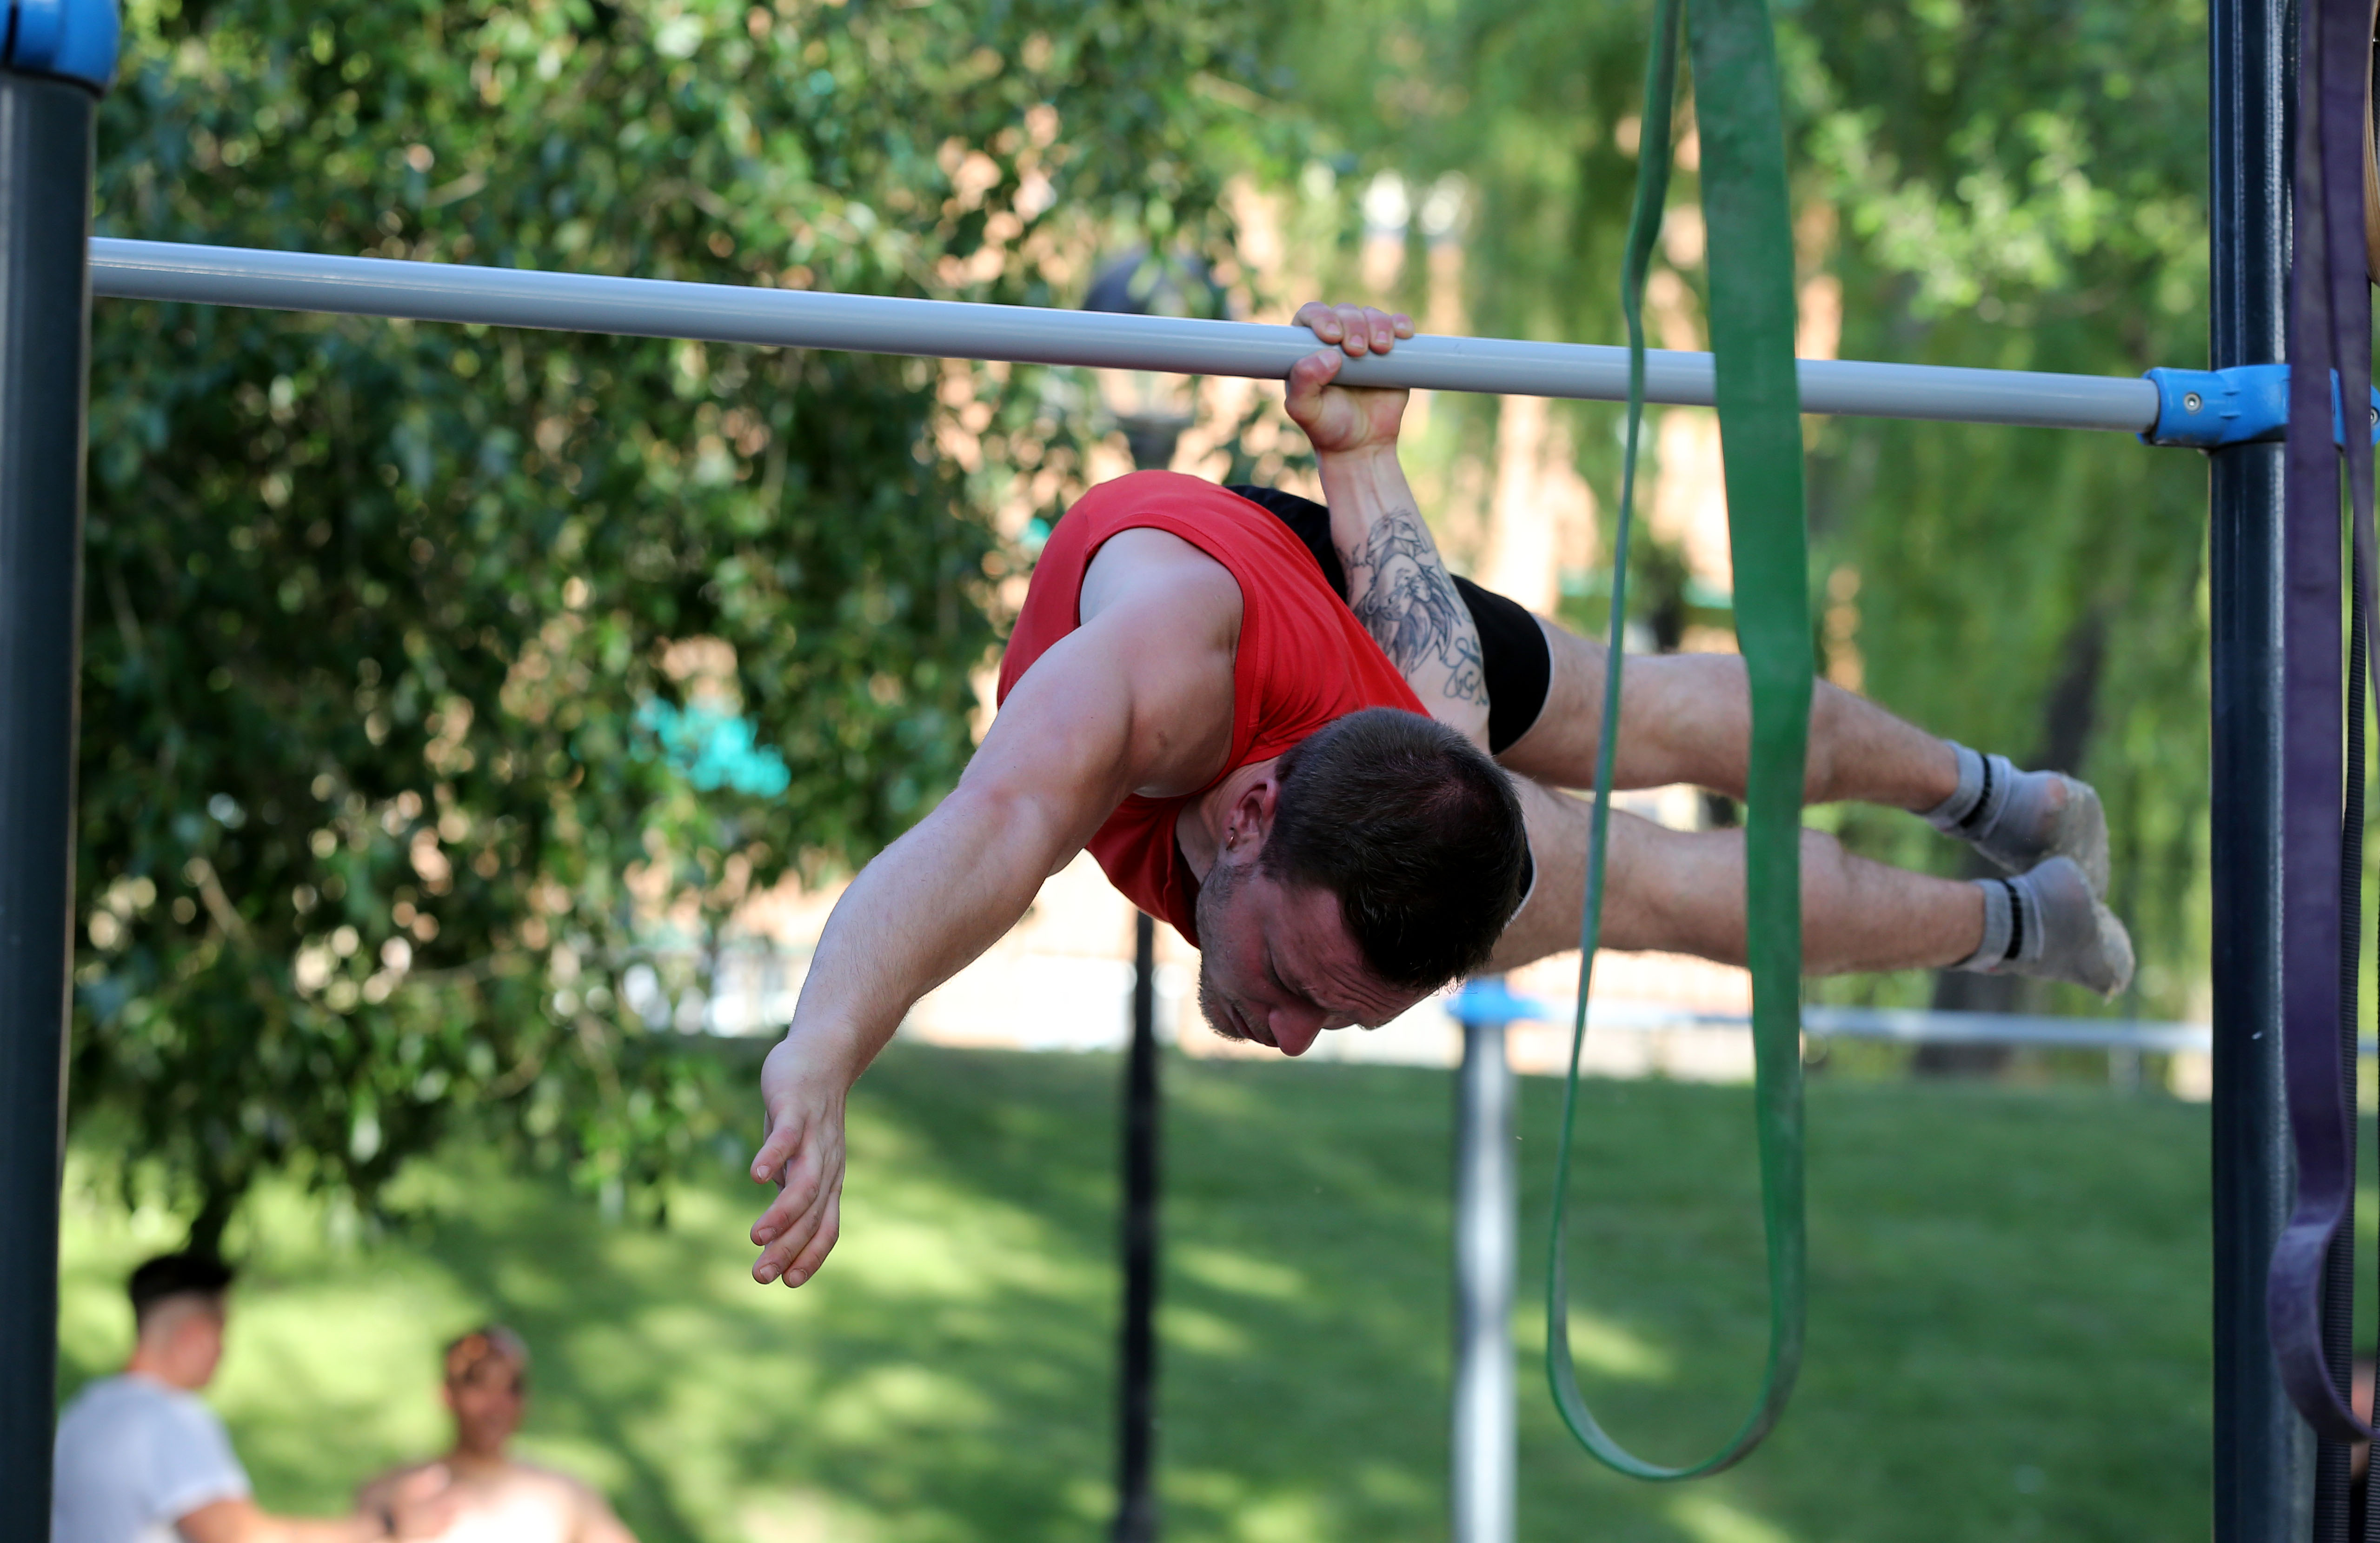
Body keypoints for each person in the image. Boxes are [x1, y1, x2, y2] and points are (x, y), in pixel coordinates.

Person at [743, 299, 2133, 1290]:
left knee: (1646, 730)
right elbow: (989, 831)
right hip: (1250, 580)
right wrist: (826, 1042)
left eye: (1328, 1010)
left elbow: (1401, 573)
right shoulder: (1133, 691)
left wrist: (1363, 448)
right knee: (1660, 881)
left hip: (1367, 671)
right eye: (1303, 983)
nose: (1285, 1039)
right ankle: (2029, 914)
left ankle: (1992, 795)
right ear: (1245, 810)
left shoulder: (1437, 736)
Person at [52, 1251, 451, 1543]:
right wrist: (383, 1529)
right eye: (222, 1330)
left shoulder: (83, 1413)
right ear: (195, 1333)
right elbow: (239, 1537)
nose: (224, 1351)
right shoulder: (167, 1419)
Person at [354, 1327, 636, 1543]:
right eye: (480, 1385)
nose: (496, 1406)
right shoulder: (396, 1491)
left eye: (512, 1388)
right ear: (447, 1395)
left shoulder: (566, 1494)